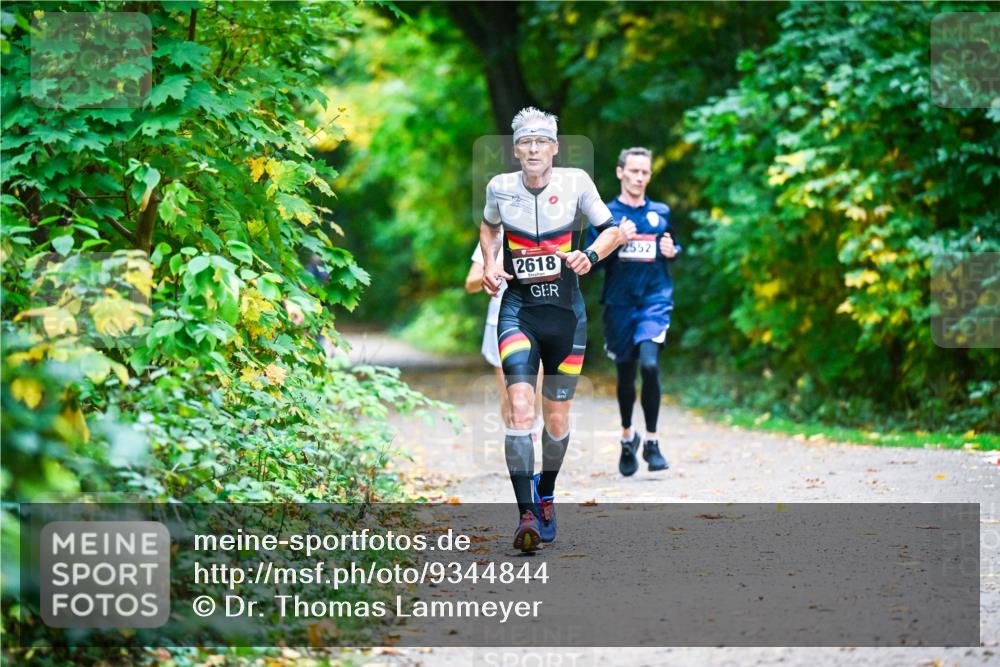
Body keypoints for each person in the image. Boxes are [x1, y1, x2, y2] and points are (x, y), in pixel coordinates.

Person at [480, 107, 622, 552]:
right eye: (525, 142)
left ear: (555, 148)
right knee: (521, 410)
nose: (534, 149)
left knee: (556, 420)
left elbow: (612, 231)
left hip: (566, 317)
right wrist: (489, 264)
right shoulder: (500, 188)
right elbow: (489, 228)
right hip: (518, 312)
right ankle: (526, 515)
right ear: (515, 149)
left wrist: (590, 255)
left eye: (542, 141)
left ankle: (545, 492)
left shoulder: (576, 182)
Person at [586, 147, 681, 477]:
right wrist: (615, 242)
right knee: (626, 373)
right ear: (620, 173)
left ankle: (652, 442)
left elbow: (673, 245)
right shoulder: (606, 214)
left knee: (650, 365)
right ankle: (628, 437)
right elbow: (590, 264)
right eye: (634, 171)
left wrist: (672, 250)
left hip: (655, 300)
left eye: (645, 172)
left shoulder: (661, 212)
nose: (639, 178)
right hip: (619, 304)